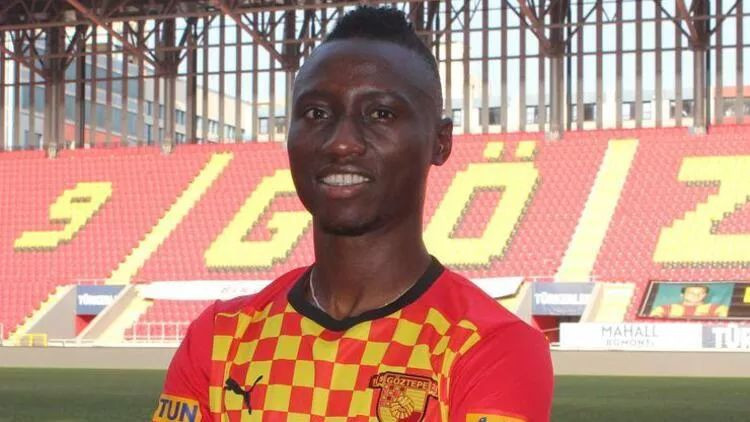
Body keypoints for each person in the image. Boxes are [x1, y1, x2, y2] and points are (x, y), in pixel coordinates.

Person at [153, 6, 553, 422]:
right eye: (316, 114)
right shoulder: (219, 338)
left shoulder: (490, 346)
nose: (341, 142)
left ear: (440, 142)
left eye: (380, 114)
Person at [649, 284, 728, 318]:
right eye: (691, 293)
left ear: (705, 295)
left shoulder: (717, 308)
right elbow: (653, 321)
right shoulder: (665, 308)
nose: (696, 295)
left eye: (701, 293)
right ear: (682, 294)